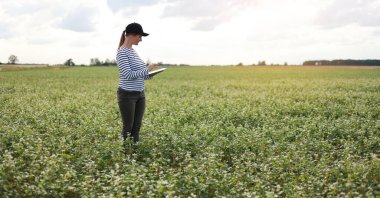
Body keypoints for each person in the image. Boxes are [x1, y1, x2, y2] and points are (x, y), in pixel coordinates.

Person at [116, 22, 155, 143]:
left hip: (140, 94)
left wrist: (150, 74)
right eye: (140, 36)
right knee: (128, 128)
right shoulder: (122, 52)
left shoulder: (133, 52)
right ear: (132, 35)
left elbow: (139, 74)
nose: (141, 39)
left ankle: (134, 152)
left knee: (137, 127)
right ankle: (125, 154)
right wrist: (147, 69)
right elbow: (128, 75)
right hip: (127, 95)